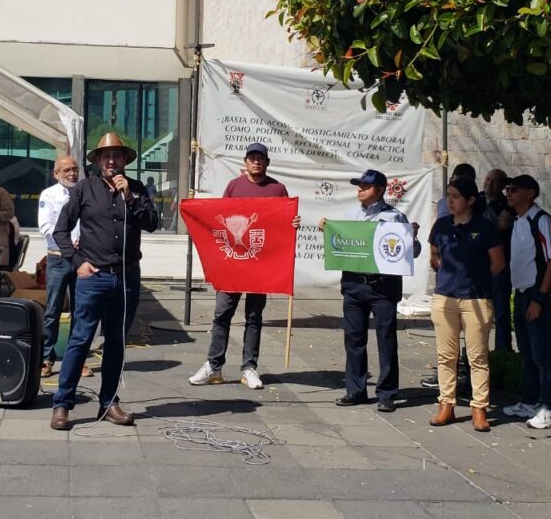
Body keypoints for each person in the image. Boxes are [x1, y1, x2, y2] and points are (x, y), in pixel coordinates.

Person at [49, 133, 159, 431]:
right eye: (105, 156)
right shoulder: (84, 189)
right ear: (97, 161)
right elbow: (60, 231)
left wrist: (131, 199)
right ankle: (62, 404)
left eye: (117, 156)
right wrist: (76, 262)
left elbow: (152, 223)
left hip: (126, 277)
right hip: (93, 277)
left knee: (116, 342)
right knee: (80, 339)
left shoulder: (136, 189)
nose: (111, 160)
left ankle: (109, 401)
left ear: (125, 160)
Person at [189, 142, 300, 390]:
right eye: (252, 157)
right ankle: (213, 365)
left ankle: (249, 367)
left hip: (260, 264)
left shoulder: (277, 189)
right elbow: (219, 220)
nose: (256, 161)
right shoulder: (234, 186)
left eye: (260, 158)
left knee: (254, 316)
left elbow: (282, 225)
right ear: (246, 162)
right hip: (232, 263)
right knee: (222, 314)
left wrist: (293, 222)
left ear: (267, 162)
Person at [322, 169, 419, 413]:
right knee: (353, 339)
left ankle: (387, 392)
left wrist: (412, 238)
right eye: (358, 186)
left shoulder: (395, 217)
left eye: (365, 186)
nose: (359, 190)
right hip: (354, 285)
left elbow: (413, 253)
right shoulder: (351, 214)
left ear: (379, 190)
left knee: (386, 340)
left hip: (382, 287)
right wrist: (328, 229)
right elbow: (343, 244)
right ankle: (356, 390)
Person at [427, 177, 506, 432]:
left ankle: (479, 408)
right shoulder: (441, 225)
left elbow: (498, 264)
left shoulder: (485, 228)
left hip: (476, 298)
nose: (450, 201)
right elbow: (434, 254)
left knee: (477, 356)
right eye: (448, 195)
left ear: (471, 200)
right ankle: (446, 404)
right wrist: (445, 271)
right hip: (445, 296)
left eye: (456, 196)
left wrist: (476, 277)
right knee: (445, 355)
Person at [501, 174, 551, 429]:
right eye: (507, 189)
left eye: (514, 190)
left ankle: (549, 407)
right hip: (521, 292)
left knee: (542, 354)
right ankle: (530, 400)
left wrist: (540, 297)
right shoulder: (517, 221)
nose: (508, 193)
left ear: (530, 194)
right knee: (526, 352)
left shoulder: (541, 220)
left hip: (536, 294)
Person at [37, 155, 93, 379]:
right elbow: (46, 226)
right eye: (67, 170)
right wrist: (68, 242)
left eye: (75, 169)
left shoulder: (85, 193)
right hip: (59, 258)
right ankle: (46, 358)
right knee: (52, 310)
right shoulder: (49, 195)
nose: (72, 173)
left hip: (82, 259)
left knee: (81, 312)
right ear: (56, 174)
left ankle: (77, 361)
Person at [482, 168, 514, 352]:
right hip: (478, 262)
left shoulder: (507, 205)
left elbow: (503, 227)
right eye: (487, 179)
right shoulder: (476, 200)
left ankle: (503, 349)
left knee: (501, 309)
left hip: (500, 263)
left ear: (502, 186)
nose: (489, 184)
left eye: (494, 181)